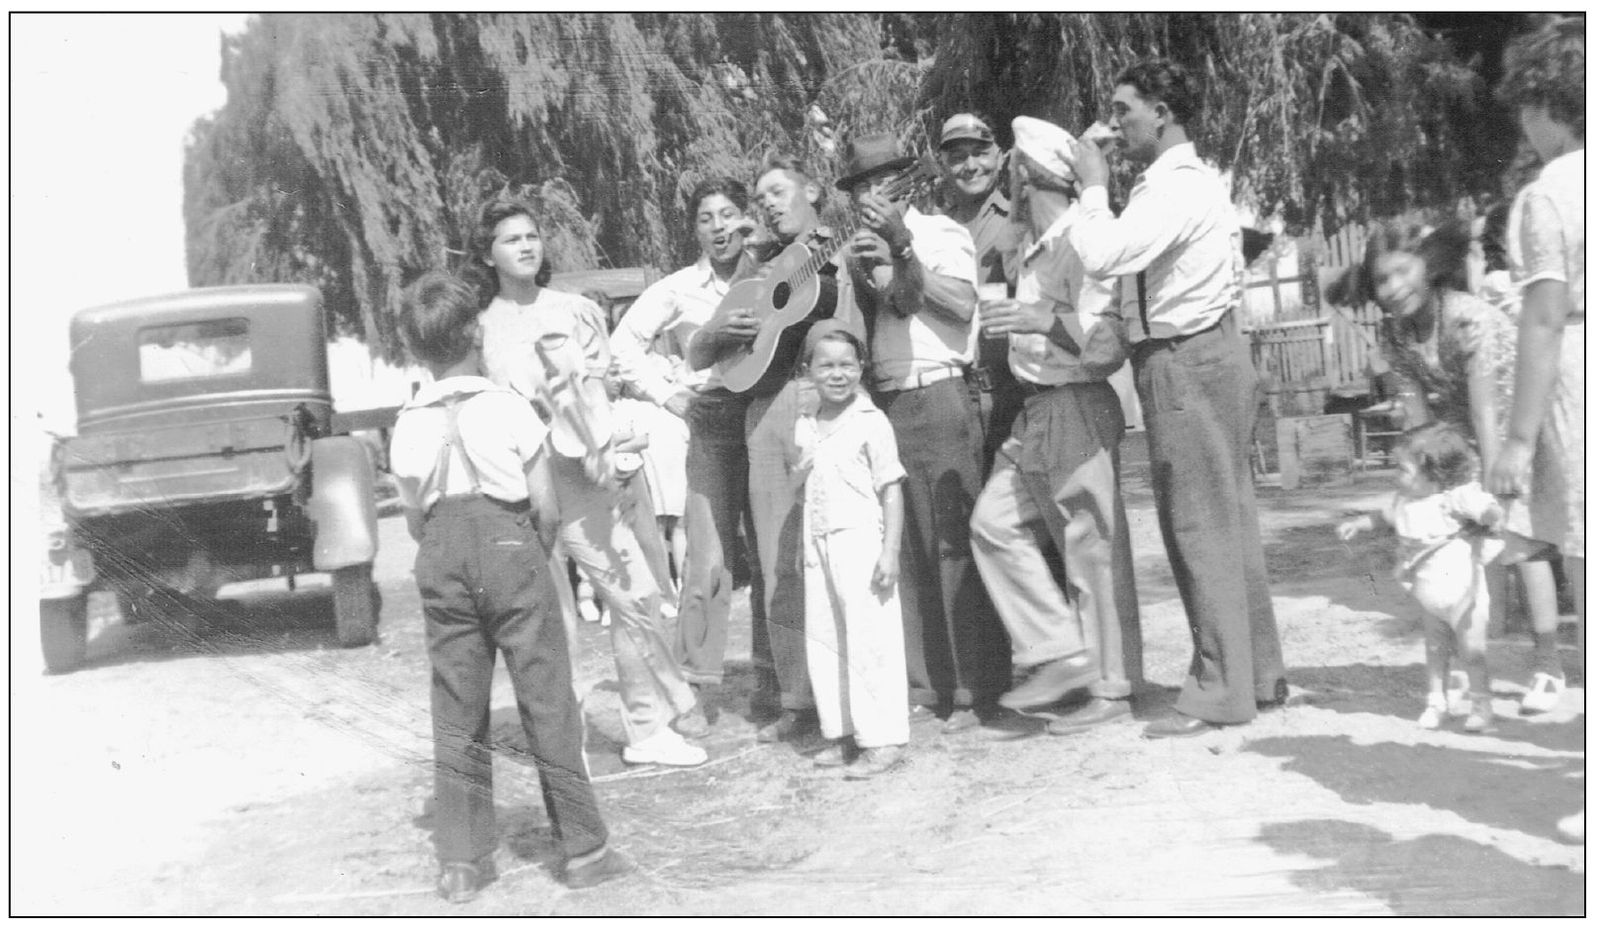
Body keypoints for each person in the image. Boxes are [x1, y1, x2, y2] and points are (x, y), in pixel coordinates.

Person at [388, 272, 630, 900]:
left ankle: (463, 863)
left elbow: (414, 517)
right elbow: (546, 508)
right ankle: (584, 850)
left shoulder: (407, 424)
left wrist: (449, 551)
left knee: (455, 706)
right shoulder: (508, 407)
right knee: (546, 697)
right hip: (510, 547)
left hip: (442, 550)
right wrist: (526, 555)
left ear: (418, 351)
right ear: (475, 332)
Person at [1063, 58, 1286, 737]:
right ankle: (1257, 674)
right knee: (1226, 519)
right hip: (1200, 354)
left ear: (1160, 112)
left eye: (1123, 110)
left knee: (1197, 524)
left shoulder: (1172, 187)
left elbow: (1102, 254)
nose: (1113, 124)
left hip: (1184, 359)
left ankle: (1221, 689)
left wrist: (1092, 187)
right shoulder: (1183, 184)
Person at [473, 197, 708, 767]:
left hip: (582, 476)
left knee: (637, 595)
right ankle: (562, 741)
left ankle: (647, 730)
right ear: (487, 254)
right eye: (511, 239)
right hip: (519, 489)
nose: (527, 246)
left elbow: (600, 392)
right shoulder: (477, 327)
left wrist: (598, 439)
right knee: (553, 620)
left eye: (531, 235)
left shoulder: (577, 310)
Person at [969, 117, 1143, 734]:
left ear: (1025, 175)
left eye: (1011, 167)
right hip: (1038, 407)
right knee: (992, 523)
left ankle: (1111, 689)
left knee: (1089, 550)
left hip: (1075, 400)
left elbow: (1103, 348)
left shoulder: (1081, 241)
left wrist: (1040, 318)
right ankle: (1059, 651)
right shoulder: (1034, 245)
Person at [839, 131, 1013, 733]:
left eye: (882, 181)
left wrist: (902, 246)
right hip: (883, 401)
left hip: (938, 392)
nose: (872, 194)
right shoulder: (854, 249)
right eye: (861, 185)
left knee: (951, 543)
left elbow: (960, 307)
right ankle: (924, 684)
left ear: (907, 182)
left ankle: (975, 688)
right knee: (904, 550)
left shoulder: (940, 232)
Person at [1359, 218, 1565, 717]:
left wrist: (1497, 484)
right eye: (1381, 280)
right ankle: (1463, 655)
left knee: (1519, 537)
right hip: (1463, 420)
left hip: (1520, 411)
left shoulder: (1466, 317)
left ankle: (1549, 665)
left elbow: (1487, 409)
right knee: (1458, 531)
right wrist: (1424, 483)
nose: (1393, 288)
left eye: (1402, 272)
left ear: (1429, 266)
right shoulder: (1395, 336)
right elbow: (1418, 418)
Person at [687, 159, 857, 741]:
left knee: (836, 554)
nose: (770, 206)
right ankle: (797, 698)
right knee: (776, 560)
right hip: (763, 414)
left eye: (778, 193)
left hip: (822, 405)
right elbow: (711, 351)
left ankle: (853, 692)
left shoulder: (837, 247)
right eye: (762, 199)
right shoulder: (763, 272)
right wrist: (721, 333)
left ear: (812, 191)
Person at [1485, 15, 1584, 846]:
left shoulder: (1550, 193)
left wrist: (1517, 440)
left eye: (1526, 106)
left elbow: (1546, 318)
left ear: (1549, 105)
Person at [610, 179, 758, 724]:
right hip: (715, 421)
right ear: (694, 229)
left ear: (746, 218)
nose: (720, 228)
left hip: (767, 417)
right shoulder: (676, 289)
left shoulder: (772, 274)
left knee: (770, 557)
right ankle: (694, 692)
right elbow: (622, 343)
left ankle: (777, 684)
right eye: (706, 218)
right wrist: (666, 394)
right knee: (709, 560)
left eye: (729, 214)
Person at [789, 320, 910, 778]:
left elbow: (891, 488)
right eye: (826, 366)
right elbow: (801, 485)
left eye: (847, 365)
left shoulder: (871, 422)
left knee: (869, 639)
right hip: (818, 539)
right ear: (809, 371)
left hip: (861, 539)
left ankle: (882, 739)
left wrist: (890, 551)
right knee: (827, 638)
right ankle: (842, 732)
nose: (837, 374)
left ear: (861, 369)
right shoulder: (807, 424)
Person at [1338, 424, 1505, 731]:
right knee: (1434, 649)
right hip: (1429, 597)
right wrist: (1361, 523)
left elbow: (1487, 508)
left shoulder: (1452, 499)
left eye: (1403, 469)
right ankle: (1436, 701)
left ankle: (1482, 703)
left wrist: (1491, 517)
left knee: (1472, 652)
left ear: (1435, 474)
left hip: (1463, 596)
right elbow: (1384, 517)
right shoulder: (1405, 501)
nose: (1396, 475)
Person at [935, 112, 1024, 472]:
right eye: (957, 157)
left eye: (980, 153)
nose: (970, 166)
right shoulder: (934, 230)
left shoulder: (1017, 220)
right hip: (955, 395)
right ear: (942, 164)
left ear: (1000, 156)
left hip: (1009, 393)